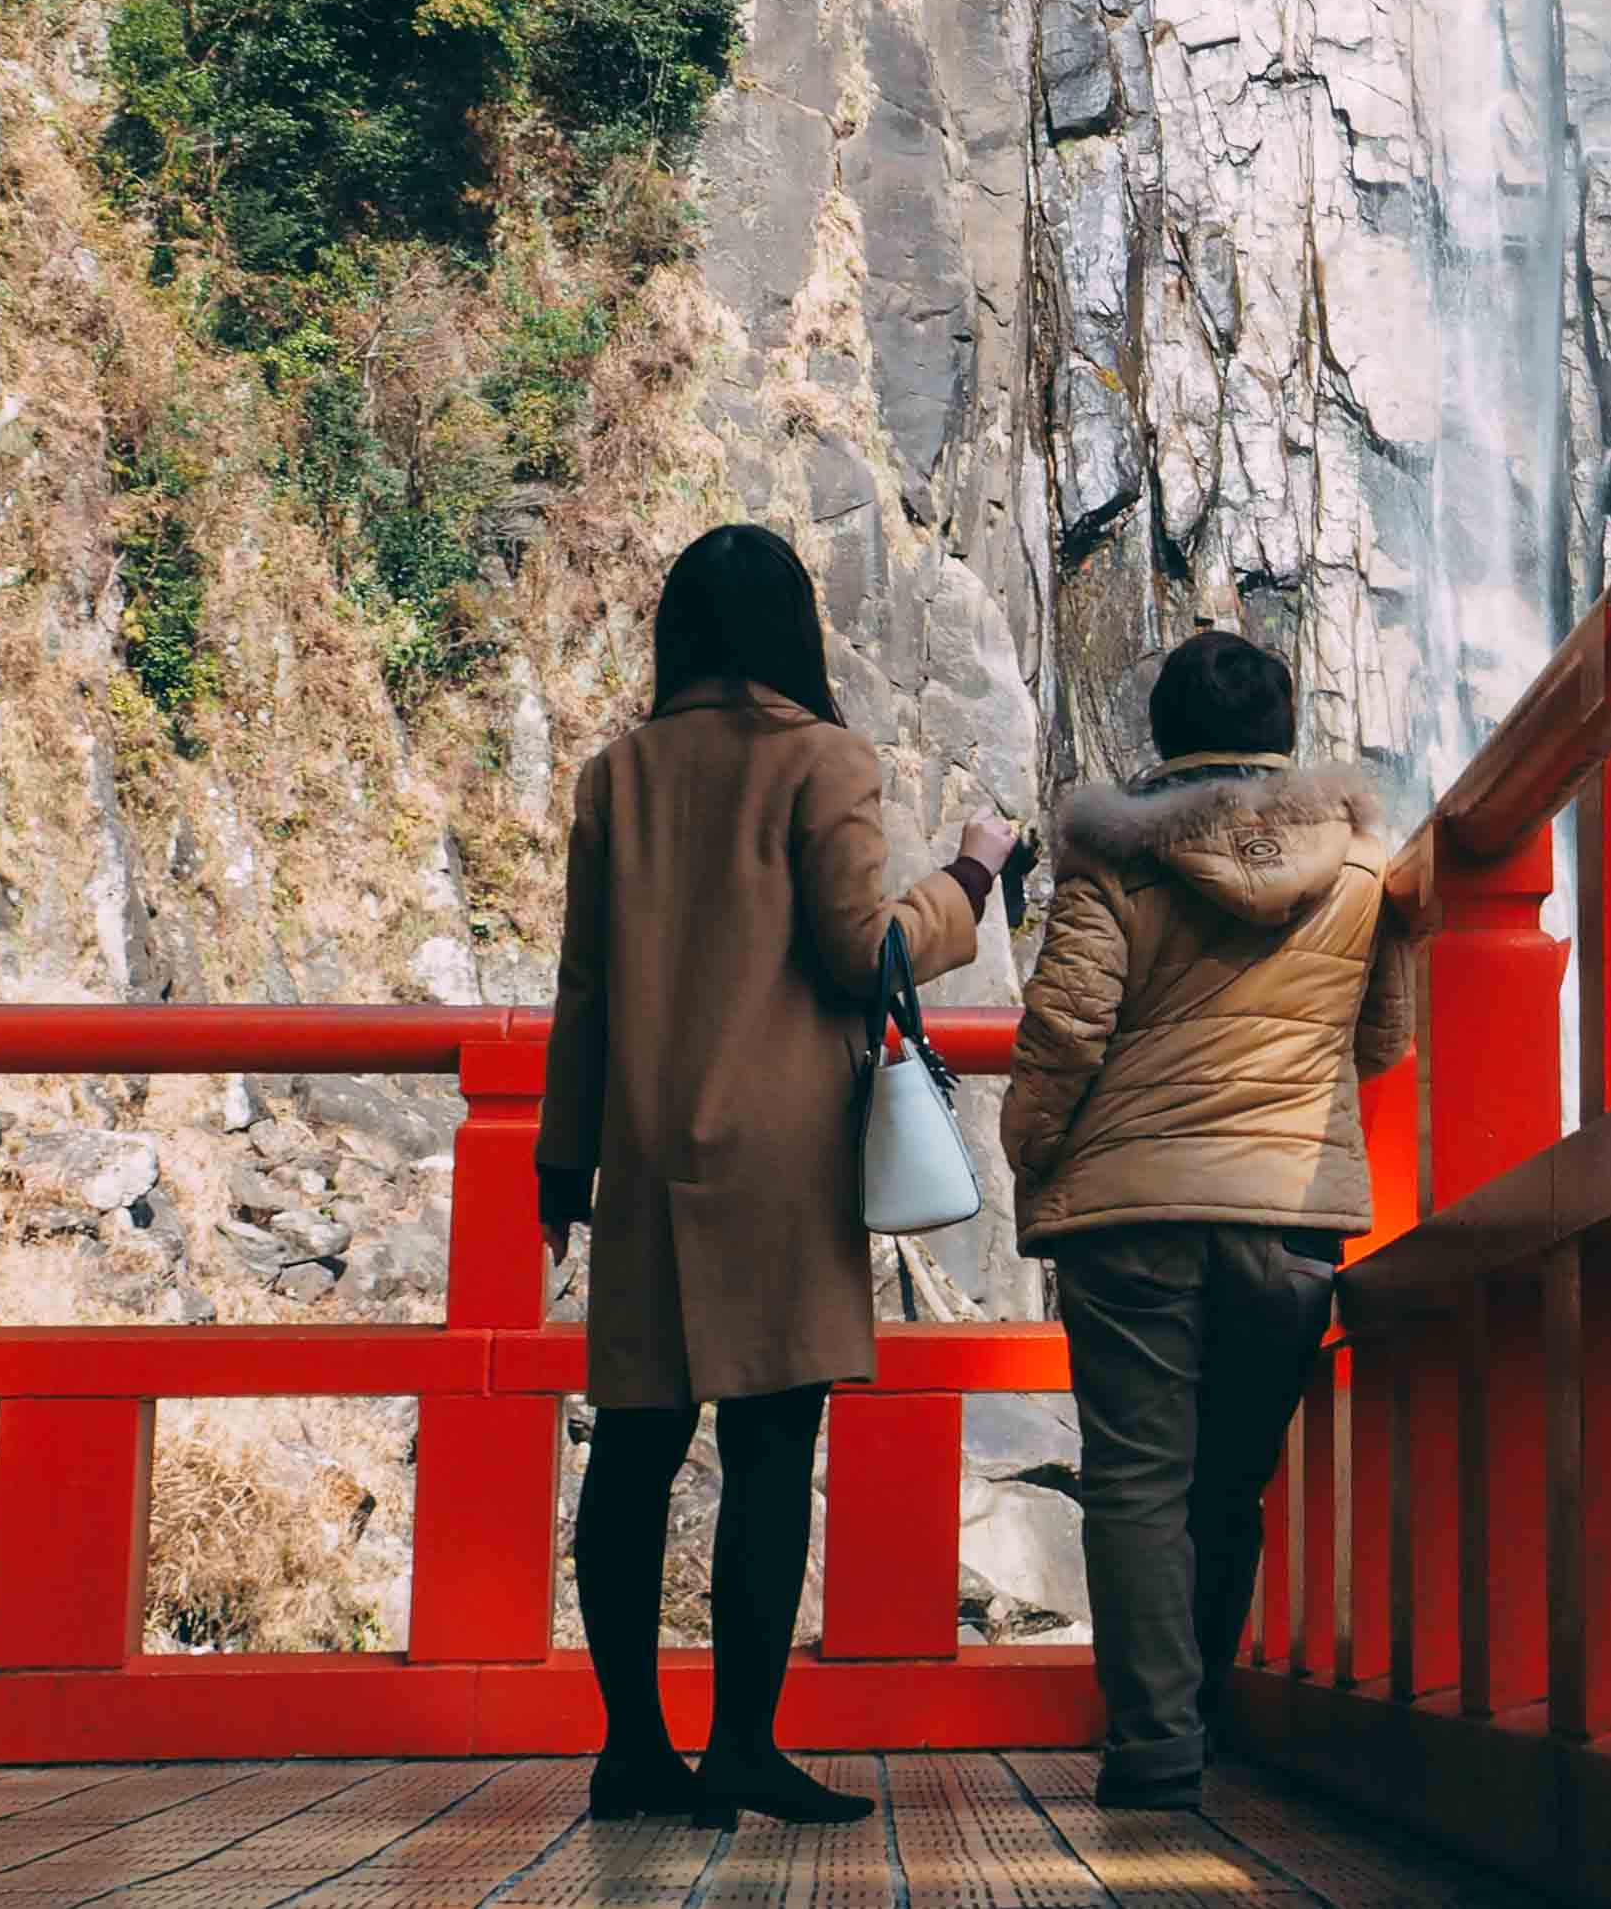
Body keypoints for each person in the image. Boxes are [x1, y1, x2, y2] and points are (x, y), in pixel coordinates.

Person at [537, 522, 1022, 1828]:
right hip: (780, 1162)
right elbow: (860, 949)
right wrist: (971, 874)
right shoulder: (824, 763)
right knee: (765, 1452)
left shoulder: (615, 779)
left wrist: (560, 1156)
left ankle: (632, 1749)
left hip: (642, 1153)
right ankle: (742, 1744)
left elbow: (582, 986)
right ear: (793, 632)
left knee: (633, 1456)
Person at [1002, 627, 1415, 1811]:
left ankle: (1157, 1746)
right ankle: (1209, 1715)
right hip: (1286, 1220)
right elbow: (1384, 1039)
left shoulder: (1116, 864)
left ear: (1167, 738)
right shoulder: (1358, 867)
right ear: (1283, 734)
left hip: (1130, 1219)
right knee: (1226, 1487)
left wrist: (1029, 1148)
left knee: (1135, 1480)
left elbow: (1067, 1032)